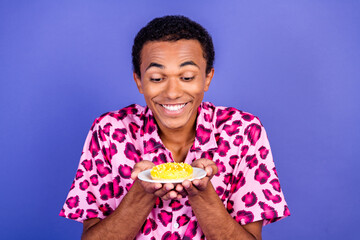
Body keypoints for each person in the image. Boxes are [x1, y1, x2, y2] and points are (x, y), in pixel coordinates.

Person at [60, 15, 290, 240]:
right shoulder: (109, 132)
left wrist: (202, 195)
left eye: (187, 77)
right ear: (139, 81)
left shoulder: (243, 131)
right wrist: (141, 193)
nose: (172, 93)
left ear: (207, 78)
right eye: (157, 78)